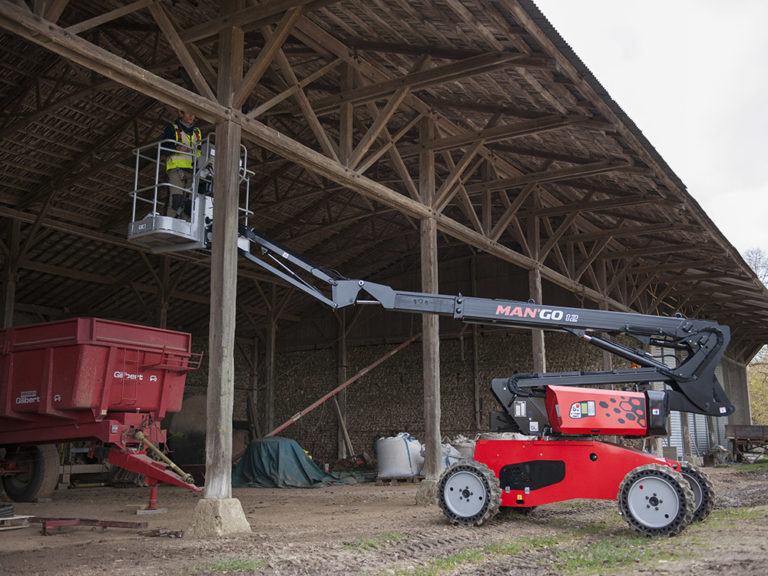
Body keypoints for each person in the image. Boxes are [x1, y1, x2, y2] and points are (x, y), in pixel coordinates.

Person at [162, 109, 202, 218]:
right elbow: (164, 148)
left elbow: (200, 152)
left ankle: (187, 227)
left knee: (190, 204)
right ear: (180, 114)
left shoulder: (197, 132)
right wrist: (177, 148)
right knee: (176, 199)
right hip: (176, 169)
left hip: (193, 172)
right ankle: (170, 224)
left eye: (193, 114)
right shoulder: (172, 129)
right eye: (189, 113)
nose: (191, 116)